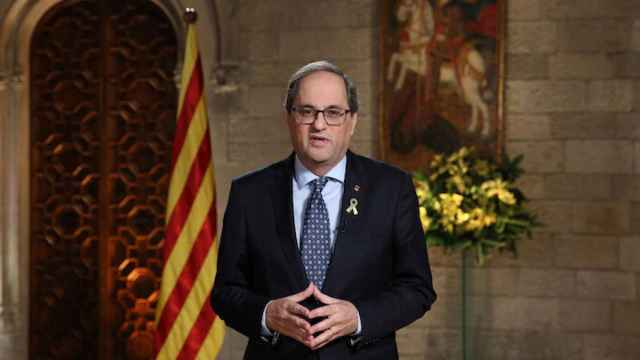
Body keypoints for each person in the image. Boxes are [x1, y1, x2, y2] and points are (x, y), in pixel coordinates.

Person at [211, 60, 436, 359]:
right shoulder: (250, 193)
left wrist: (358, 317)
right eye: (307, 111)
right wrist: (266, 315)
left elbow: (417, 289)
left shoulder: (392, 189)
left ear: (352, 120)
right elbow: (226, 292)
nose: (319, 125)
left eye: (333, 113)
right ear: (289, 118)